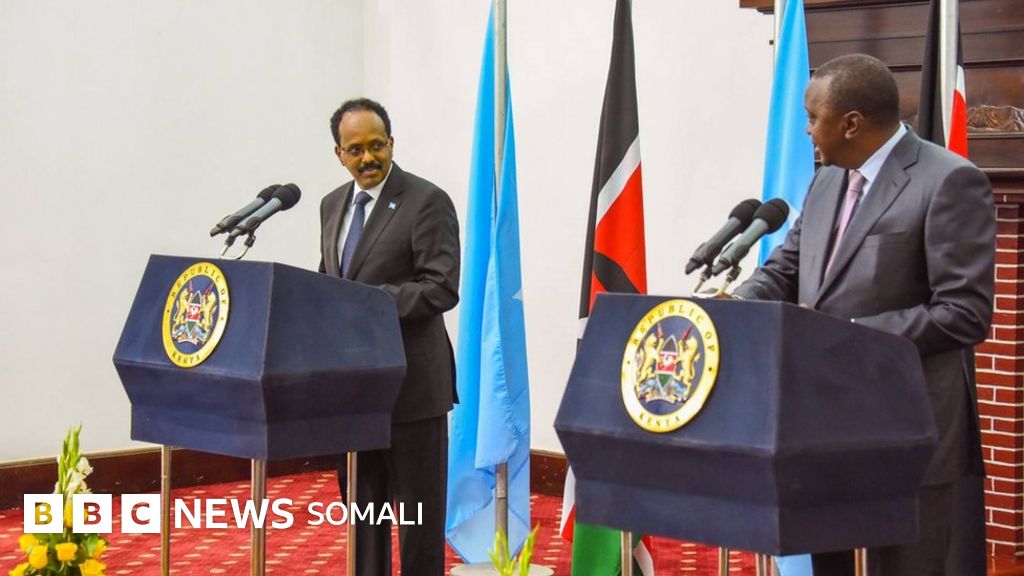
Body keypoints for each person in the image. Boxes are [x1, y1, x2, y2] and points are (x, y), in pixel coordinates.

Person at [734, 54, 994, 576]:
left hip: (908, 432)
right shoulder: (827, 181)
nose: (807, 130)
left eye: (813, 118)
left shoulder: (948, 181)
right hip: (825, 427)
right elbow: (786, 269)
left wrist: (843, 336)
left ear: (851, 123)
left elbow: (963, 313)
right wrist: (737, 307)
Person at [319, 97, 460, 576]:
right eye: (355, 149)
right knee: (364, 516)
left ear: (392, 143)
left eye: (376, 145)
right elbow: (331, 280)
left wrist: (367, 302)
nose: (368, 158)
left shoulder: (426, 201)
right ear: (339, 153)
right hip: (353, 390)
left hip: (412, 388)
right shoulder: (331, 205)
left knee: (418, 521)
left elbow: (441, 287)